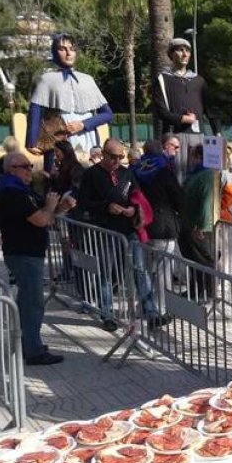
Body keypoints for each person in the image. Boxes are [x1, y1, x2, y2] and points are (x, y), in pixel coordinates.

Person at [0, 151, 76, 365]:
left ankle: (28, 343)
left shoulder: (21, 189)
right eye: (26, 166)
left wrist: (59, 207)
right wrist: (50, 208)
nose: (30, 170)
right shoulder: (11, 192)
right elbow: (40, 219)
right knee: (33, 303)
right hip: (23, 253)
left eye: (30, 166)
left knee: (27, 301)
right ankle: (33, 350)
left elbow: (44, 214)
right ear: (12, 169)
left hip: (29, 252)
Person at [78, 139, 165, 328]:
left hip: (128, 229)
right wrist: (106, 207)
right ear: (103, 154)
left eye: (120, 157)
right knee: (106, 273)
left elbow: (137, 195)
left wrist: (134, 209)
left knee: (140, 269)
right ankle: (107, 313)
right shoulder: (91, 175)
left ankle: (151, 311)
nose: (117, 161)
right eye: (113, 157)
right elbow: (83, 202)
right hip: (104, 230)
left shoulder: (127, 173)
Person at [27, 33, 112, 172]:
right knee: (58, 178)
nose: (68, 53)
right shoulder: (46, 79)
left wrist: (83, 124)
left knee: (89, 177)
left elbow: (107, 114)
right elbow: (35, 110)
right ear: (54, 52)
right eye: (62, 49)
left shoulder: (87, 79)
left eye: (72, 49)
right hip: (58, 136)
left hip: (88, 138)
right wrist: (31, 140)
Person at [152, 38, 215, 174]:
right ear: (171, 54)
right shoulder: (162, 80)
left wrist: (218, 133)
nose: (185, 54)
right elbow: (162, 112)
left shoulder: (199, 81)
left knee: (199, 178)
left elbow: (210, 111)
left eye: (187, 51)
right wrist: (183, 119)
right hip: (175, 137)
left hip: (199, 137)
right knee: (178, 179)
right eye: (180, 50)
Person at [133, 139, 186, 300]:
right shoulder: (164, 171)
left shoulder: (134, 170)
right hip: (163, 225)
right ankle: (162, 306)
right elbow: (178, 197)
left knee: (145, 268)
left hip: (141, 226)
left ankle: (145, 306)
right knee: (163, 269)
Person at [179, 145, 218, 301]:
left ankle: (206, 292)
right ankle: (195, 289)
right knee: (192, 260)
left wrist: (202, 226)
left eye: (193, 156)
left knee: (203, 260)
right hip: (187, 223)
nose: (191, 159)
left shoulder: (207, 174)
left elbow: (206, 201)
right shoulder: (195, 173)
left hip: (199, 227)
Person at [217, 149, 232, 275]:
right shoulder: (224, 174)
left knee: (223, 250)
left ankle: (225, 276)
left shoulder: (223, 174)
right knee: (223, 250)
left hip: (223, 216)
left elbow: (229, 197)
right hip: (223, 215)